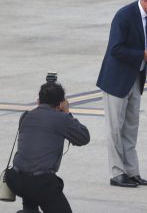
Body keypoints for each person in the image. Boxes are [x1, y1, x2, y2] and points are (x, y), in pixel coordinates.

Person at [96, 0, 147, 188]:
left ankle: (132, 172)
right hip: (117, 80)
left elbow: (146, 40)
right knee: (115, 129)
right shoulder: (124, 16)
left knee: (131, 127)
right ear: (146, 0)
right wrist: (142, 54)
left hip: (136, 76)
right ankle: (117, 173)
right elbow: (115, 49)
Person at [6, 81, 90, 213]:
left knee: (31, 190)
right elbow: (83, 138)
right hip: (41, 184)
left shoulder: (26, 116)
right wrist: (67, 112)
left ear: (39, 100)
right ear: (60, 104)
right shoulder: (61, 118)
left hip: (16, 179)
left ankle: (29, 210)